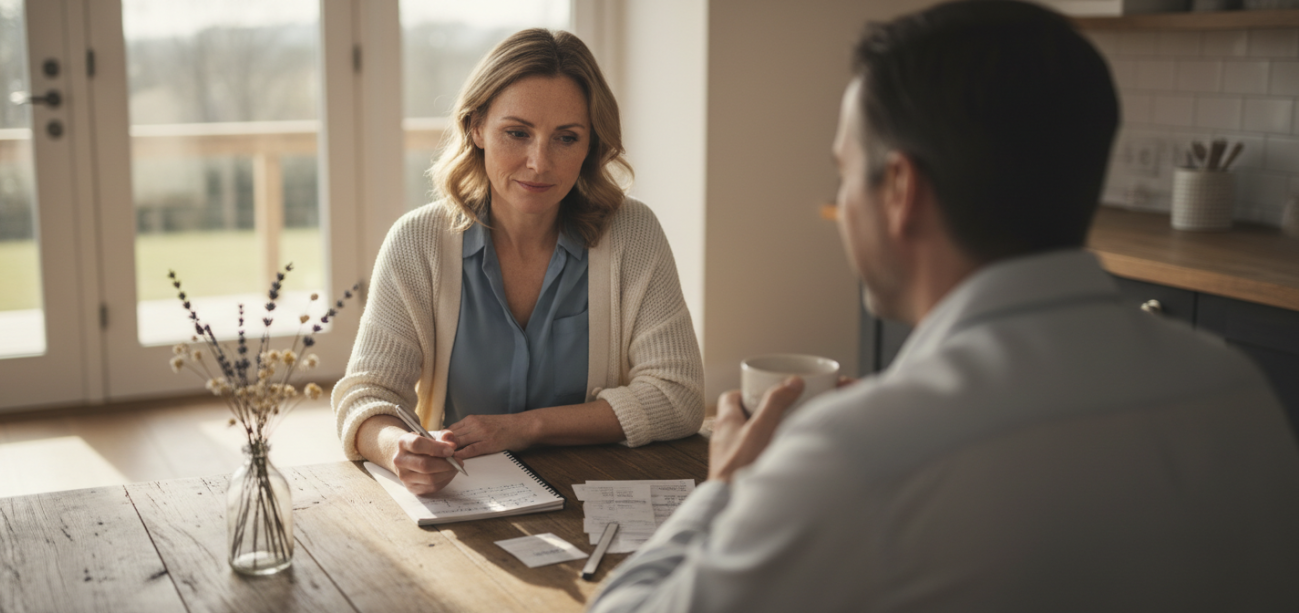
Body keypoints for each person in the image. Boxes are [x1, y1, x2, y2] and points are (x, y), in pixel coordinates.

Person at [589, 2, 1299, 611]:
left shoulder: (854, 455)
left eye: (844, 173)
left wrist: (725, 491)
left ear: (900, 190)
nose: (841, 203)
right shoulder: (1241, 394)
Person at [331, 29, 704, 495]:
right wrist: (397, 448)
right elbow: (367, 397)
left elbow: (678, 396)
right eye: (517, 133)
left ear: (591, 146)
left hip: (599, 491)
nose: (539, 163)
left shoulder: (633, 233)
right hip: (463, 496)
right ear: (476, 127)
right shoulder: (418, 242)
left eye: (566, 138)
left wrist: (525, 427)